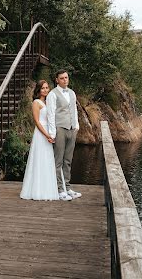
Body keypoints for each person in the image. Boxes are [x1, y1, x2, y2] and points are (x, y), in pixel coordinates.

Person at [20, 79, 59, 200]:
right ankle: (36, 190)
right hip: (41, 133)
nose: (45, 90)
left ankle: (47, 189)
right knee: (39, 159)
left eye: (47, 88)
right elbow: (37, 122)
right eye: (43, 88)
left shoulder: (49, 102)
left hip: (49, 133)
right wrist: (47, 135)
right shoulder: (36, 103)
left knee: (47, 160)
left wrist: (53, 133)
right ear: (38, 90)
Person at [46, 69, 82, 201]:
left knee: (68, 160)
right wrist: (52, 133)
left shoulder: (72, 93)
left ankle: (67, 187)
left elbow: (74, 110)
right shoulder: (52, 94)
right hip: (60, 128)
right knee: (58, 161)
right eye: (62, 78)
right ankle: (60, 189)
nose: (65, 80)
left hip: (72, 129)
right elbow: (50, 114)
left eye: (66, 77)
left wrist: (76, 126)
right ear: (57, 80)